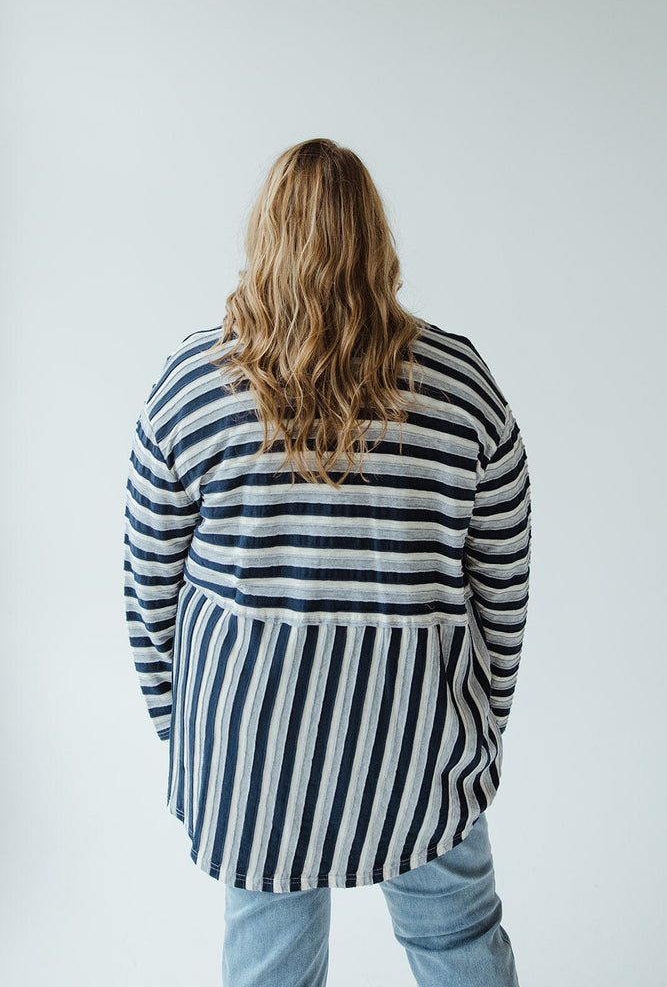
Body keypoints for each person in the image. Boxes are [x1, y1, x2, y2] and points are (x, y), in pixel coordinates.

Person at [123, 137, 532, 986]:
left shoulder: (192, 388)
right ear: (377, 239)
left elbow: (147, 590)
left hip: (250, 745)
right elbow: (503, 580)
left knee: (271, 970)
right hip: (419, 743)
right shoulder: (461, 388)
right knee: (457, 942)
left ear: (262, 236)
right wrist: (476, 720)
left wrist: (192, 729)